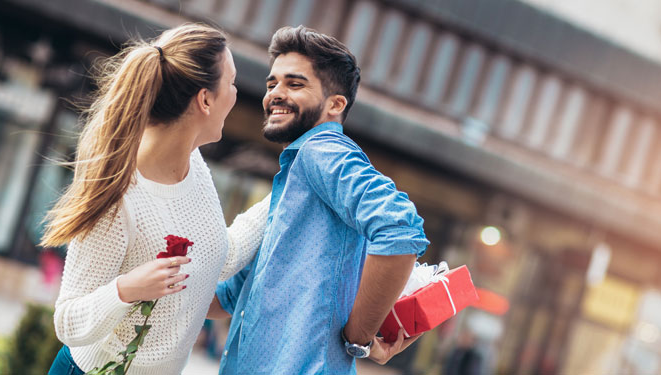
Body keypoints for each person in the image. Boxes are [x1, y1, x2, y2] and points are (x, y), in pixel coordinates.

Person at [41, 23, 269, 375]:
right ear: (205, 100)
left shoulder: (194, 167)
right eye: (232, 83)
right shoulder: (120, 195)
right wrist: (126, 289)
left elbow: (218, 257)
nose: (237, 95)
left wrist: (286, 193)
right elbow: (68, 322)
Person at [208, 26, 430, 374]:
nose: (275, 95)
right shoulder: (296, 180)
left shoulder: (321, 151)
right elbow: (226, 298)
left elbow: (399, 229)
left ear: (335, 104)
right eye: (272, 84)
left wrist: (359, 337)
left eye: (295, 84)